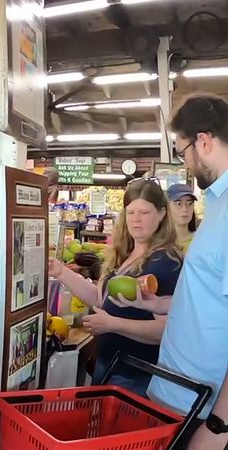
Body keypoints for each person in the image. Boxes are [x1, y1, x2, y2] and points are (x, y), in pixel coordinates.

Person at [131, 95, 228, 450]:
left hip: (202, 409)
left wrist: (219, 427)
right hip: (176, 393)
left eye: (182, 150)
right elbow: (211, 295)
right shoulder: (216, 201)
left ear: (203, 141)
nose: (185, 161)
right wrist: (158, 304)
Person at [48, 179, 182, 396]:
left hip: (137, 373)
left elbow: (164, 330)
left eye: (145, 213)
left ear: (162, 214)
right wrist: (62, 272)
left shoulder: (166, 262)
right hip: (111, 365)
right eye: (131, 212)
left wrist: (112, 324)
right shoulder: (126, 255)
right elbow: (100, 299)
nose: (136, 220)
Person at [166, 183, 198, 254]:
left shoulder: (200, 240)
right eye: (178, 204)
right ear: (167, 207)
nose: (185, 209)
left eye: (189, 203)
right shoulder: (159, 242)